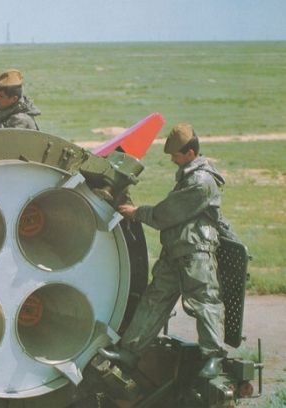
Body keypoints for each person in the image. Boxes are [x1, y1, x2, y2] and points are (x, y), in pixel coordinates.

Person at [99, 123, 231, 379]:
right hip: (176, 252)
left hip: (196, 253)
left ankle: (213, 357)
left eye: (176, 155)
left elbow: (168, 213)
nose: (172, 159)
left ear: (190, 153)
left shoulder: (201, 182)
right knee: (154, 300)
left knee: (204, 303)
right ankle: (129, 352)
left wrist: (138, 213)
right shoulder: (189, 176)